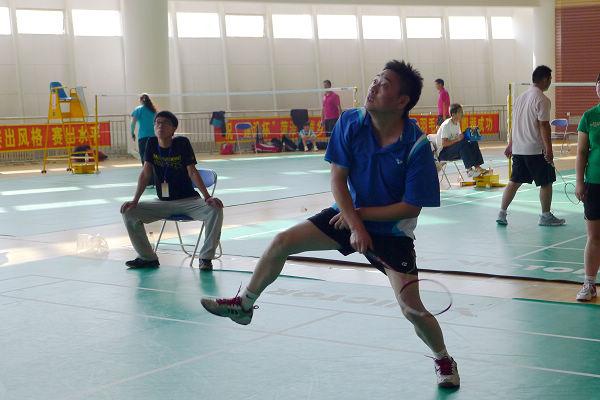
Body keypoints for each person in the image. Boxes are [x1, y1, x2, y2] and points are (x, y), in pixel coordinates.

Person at [201, 60, 460, 388]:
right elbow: (338, 180)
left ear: (401, 101)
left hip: (391, 231)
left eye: (384, 84)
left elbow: (411, 206)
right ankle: (244, 305)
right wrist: (355, 224)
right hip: (347, 215)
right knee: (281, 242)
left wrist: (361, 219)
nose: (374, 86)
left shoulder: (417, 146)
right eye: (376, 79)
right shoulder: (351, 122)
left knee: (412, 309)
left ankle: (443, 358)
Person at [120, 111, 224, 271]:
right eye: (157, 123)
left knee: (215, 209)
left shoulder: (182, 143)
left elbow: (192, 172)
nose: (160, 126)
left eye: (165, 123)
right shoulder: (151, 143)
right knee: (129, 212)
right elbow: (145, 174)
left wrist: (207, 197)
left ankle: (205, 258)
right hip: (163, 202)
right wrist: (135, 201)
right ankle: (148, 258)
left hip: (189, 201)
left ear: (174, 128)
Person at [496, 65, 565, 226]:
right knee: (546, 182)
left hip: (519, 149)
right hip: (535, 150)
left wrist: (511, 144)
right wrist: (549, 149)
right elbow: (544, 126)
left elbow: (514, 123)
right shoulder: (542, 99)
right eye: (550, 79)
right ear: (545, 79)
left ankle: (501, 213)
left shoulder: (520, 98)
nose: (550, 82)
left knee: (514, 182)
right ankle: (545, 216)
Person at [575, 74, 600, 301]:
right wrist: (580, 181)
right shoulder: (589, 117)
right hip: (594, 183)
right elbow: (582, 152)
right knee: (594, 236)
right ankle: (590, 284)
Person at [437, 103, 489, 177]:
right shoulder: (446, 125)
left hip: (453, 149)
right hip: (443, 153)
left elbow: (459, 138)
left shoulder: (457, 123)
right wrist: (457, 139)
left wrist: (468, 134)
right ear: (453, 114)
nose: (462, 114)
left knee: (472, 141)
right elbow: (444, 143)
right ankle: (469, 170)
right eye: (460, 112)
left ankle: (477, 167)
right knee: (463, 144)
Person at [131, 93, 157, 166]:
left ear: (141, 100)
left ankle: (146, 171)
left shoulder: (138, 109)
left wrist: (132, 133)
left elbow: (133, 123)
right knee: (154, 157)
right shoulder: (154, 110)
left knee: (144, 157)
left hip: (143, 137)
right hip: (154, 137)